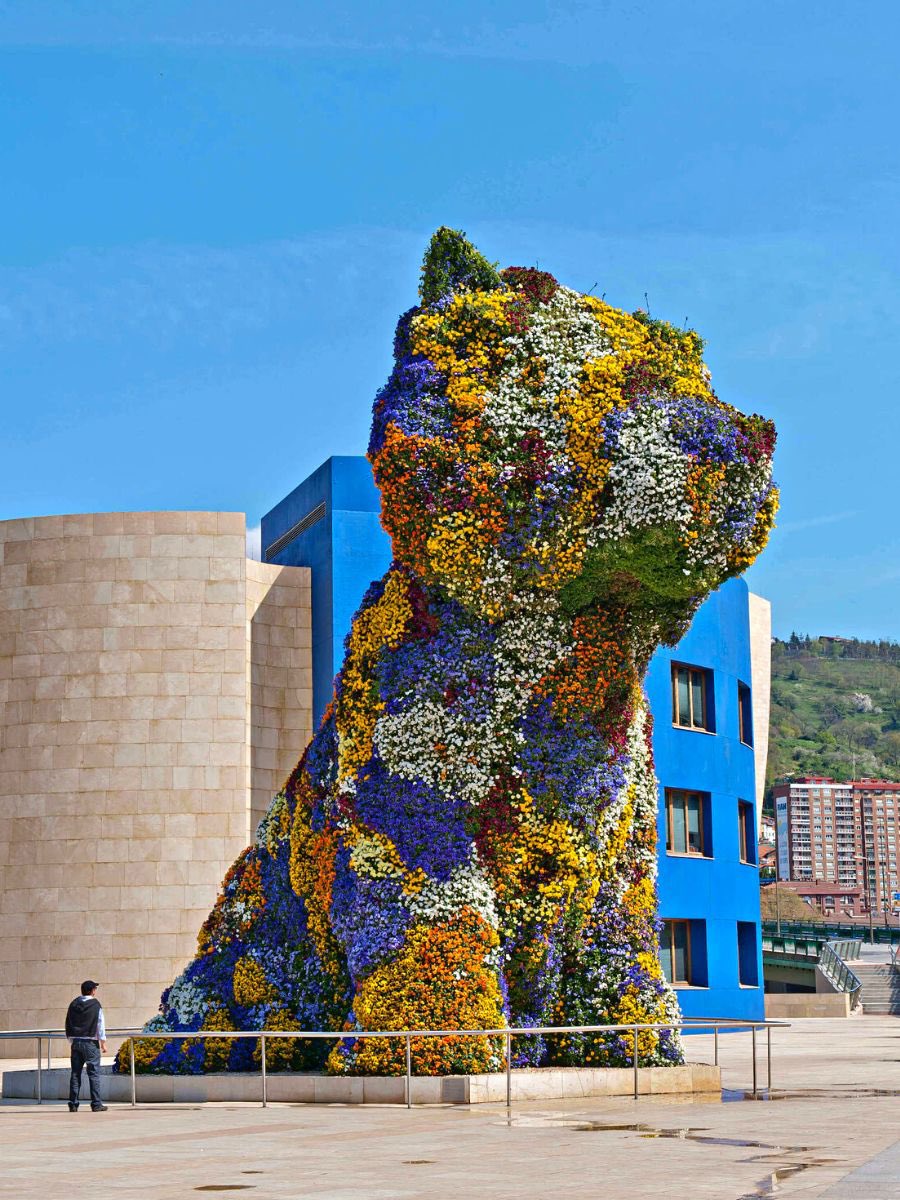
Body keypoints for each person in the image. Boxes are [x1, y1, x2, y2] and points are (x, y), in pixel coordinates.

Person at [65, 980, 108, 1112]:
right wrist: (103, 1043)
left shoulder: (73, 1004)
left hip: (76, 1042)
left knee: (75, 1074)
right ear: (92, 990)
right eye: (95, 988)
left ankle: (73, 1103)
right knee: (93, 1073)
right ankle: (96, 1104)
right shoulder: (95, 1005)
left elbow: (68, 1022)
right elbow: (100, 1024)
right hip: (90, 1043)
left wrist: (71, 1040)